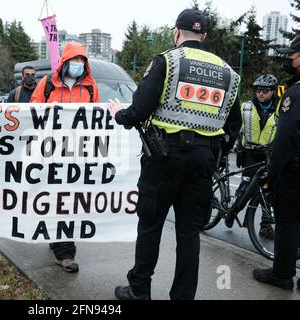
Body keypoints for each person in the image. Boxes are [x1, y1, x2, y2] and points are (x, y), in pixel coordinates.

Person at [107, 9, 242, 300]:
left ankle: (139, 290)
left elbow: (139, 110)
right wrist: (213, 150)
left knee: (151, 225)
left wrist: (120, 114)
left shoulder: (167, 61)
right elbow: (234, 126)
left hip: (164, 157)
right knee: (189, 233)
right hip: (203, 161)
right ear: (204, 36)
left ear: (176, 32)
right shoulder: (229, 73)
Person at [31, 42, 100, 273]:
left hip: (78, 155)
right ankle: (65, 252)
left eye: (82, 60)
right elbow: (33, 110)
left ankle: (63, 247)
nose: (78, 64)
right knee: (54, 198)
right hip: (51, 152)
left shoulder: (90, 87)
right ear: (65, 61)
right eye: (75, 60)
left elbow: (97, 118)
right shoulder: (48, 83)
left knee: (70, 201)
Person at [253, 35, 300, 291]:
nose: (288, 60)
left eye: (292, 56)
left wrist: (273, 173)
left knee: (288, 223)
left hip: (294, 172)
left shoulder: (296, 91)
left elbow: (286, 138)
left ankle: (282, 274)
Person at [225, 74, 279, 238]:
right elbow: (236, 127)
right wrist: (231, 146)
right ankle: (233, 210)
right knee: (246, 188)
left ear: (273, 92)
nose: (260, 93)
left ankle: (265, 226)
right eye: (258, 90)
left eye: (265, 91)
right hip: (249, 154)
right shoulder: (246, 107)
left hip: (268, 156)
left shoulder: (280, 110)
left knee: (267, 191)